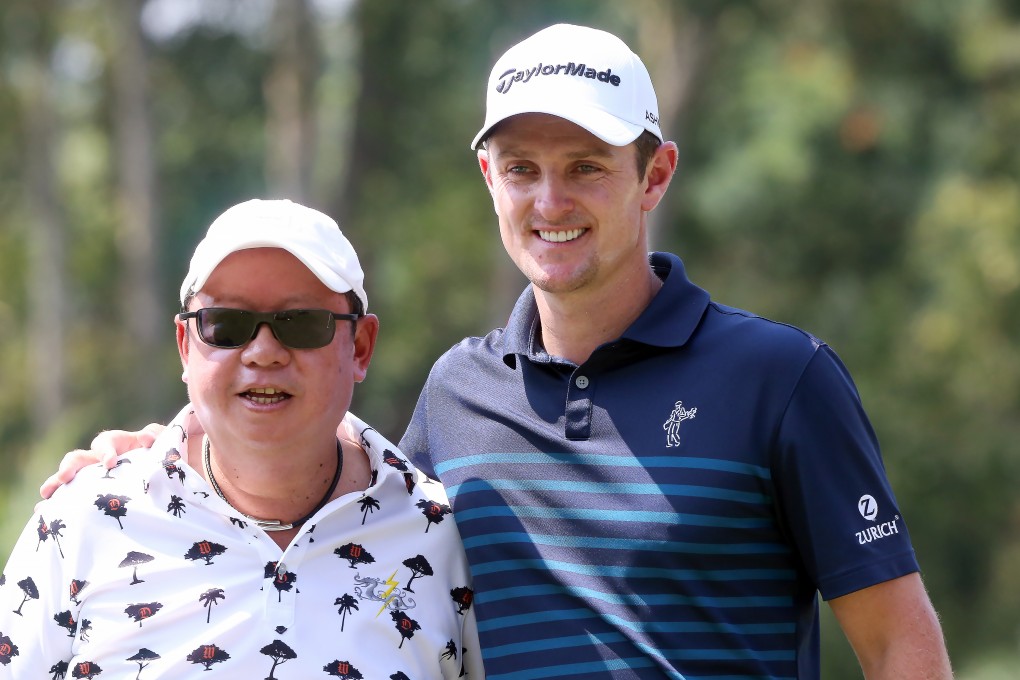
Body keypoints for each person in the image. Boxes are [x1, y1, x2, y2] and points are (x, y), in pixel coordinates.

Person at [41, 23, 953, 679]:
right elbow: (335, 484)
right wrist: (172, 452)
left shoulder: (780, 379)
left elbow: (898, 645)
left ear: (655, 175)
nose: (550, 202)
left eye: (586, 166)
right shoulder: (456, 394)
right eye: (522, 169)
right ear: (490, 178)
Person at [6, 199, 483, 678]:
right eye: (226, 324)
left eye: (301, 323)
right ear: (185, 346)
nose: (263, 352)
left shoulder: (447, 538)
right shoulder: (83, 521)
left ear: (360, 347)